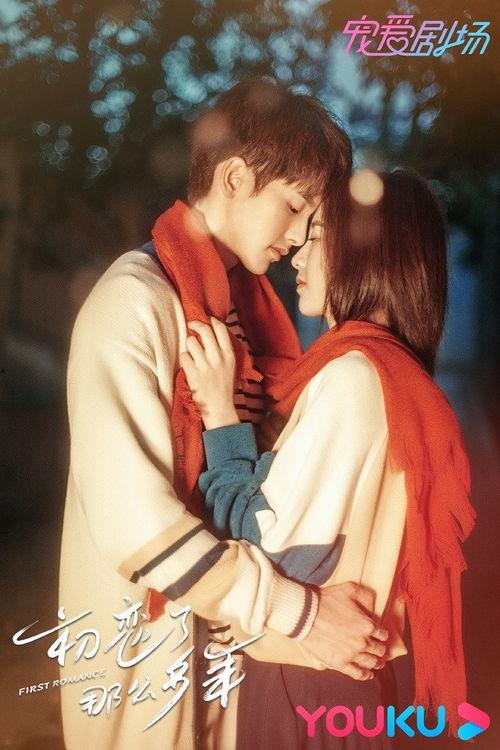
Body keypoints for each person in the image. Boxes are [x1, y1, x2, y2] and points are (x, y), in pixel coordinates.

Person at [59, 79, 390, 750]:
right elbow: (134, 523)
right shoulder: (134, 301)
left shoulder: (240, 310)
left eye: (311, 219)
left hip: (225, 644)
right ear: (235, 178)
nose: (299, 237)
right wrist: (300, 612)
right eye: (293, 206)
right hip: (143, 645)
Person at [182, 168, 476, 748]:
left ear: (366, 253)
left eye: (316, 236)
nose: (298, 253)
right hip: (339, 687)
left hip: (302, 685)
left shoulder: (352, 378)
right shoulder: (389, 374)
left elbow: (265, 547)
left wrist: (219, 417)